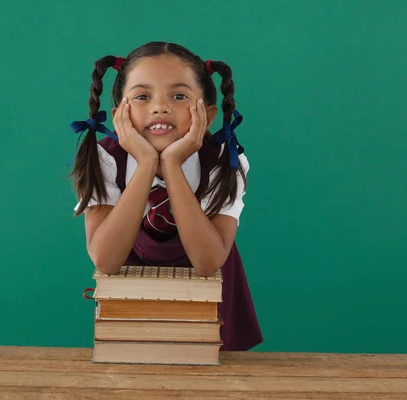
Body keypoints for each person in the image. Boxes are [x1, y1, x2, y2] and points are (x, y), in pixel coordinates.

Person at [69, 41, 262, 351]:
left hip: (211, 312)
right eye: (143, 96)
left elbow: (208, 262)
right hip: (133, 305)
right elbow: (105, 259)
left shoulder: (226, 161)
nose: (161, 107)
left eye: (179, 96)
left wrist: (171, 163)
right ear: (119, 114)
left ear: (208, 115)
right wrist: (146, 163)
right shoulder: (103, 158)